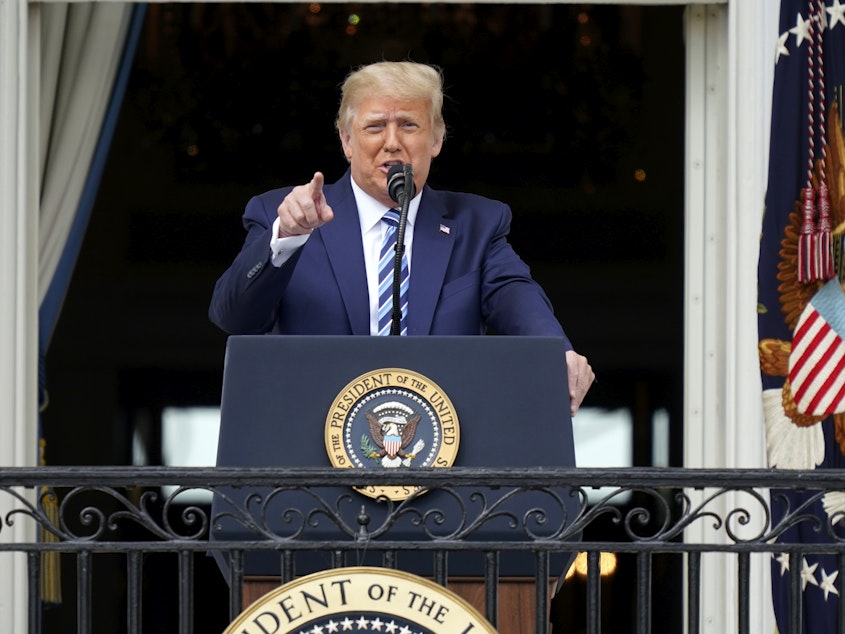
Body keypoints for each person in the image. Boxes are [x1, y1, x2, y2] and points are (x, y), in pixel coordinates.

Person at [209, 60, 594, 414]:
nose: (392, 142)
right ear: (346, 141)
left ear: (436, 140)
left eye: (409, 125)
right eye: (375, 126)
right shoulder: (286, 214)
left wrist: (557, 353)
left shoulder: (477, 224)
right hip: (315, 461)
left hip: (445, 461)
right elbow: (234, 318)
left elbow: (518, 299)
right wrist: (286, 236)